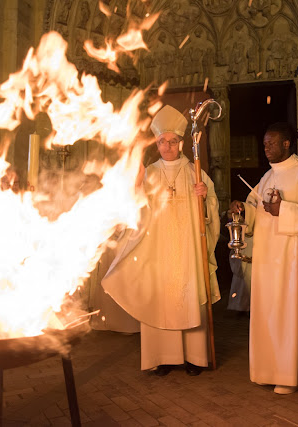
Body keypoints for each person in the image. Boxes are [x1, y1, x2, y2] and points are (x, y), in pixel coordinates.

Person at [102, 105, 220, 376]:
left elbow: (210, 211)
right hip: (158, 251)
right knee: (160, 299)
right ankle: (164, 357)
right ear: (157, 143)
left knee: (188, 296)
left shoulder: (195, 171)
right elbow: (136, 210)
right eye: (162, 141)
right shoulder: (150, 173)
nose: (167, 146)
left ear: (181, 143)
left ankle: (195, 358)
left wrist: (205, 197)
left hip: (188, 249)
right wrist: (137, 189)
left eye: (173, 141)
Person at [229, 122, 298, 394]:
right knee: (270, 313)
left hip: (294, 258)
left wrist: (285, 210)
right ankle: (272, 368)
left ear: (287, 143)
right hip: (268, 258)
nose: (265, 147)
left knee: (292, 313)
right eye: (265, 143)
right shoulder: (267, 178)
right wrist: (243, 209)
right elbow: (257, 211)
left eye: (271, 142)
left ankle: (294, 374)